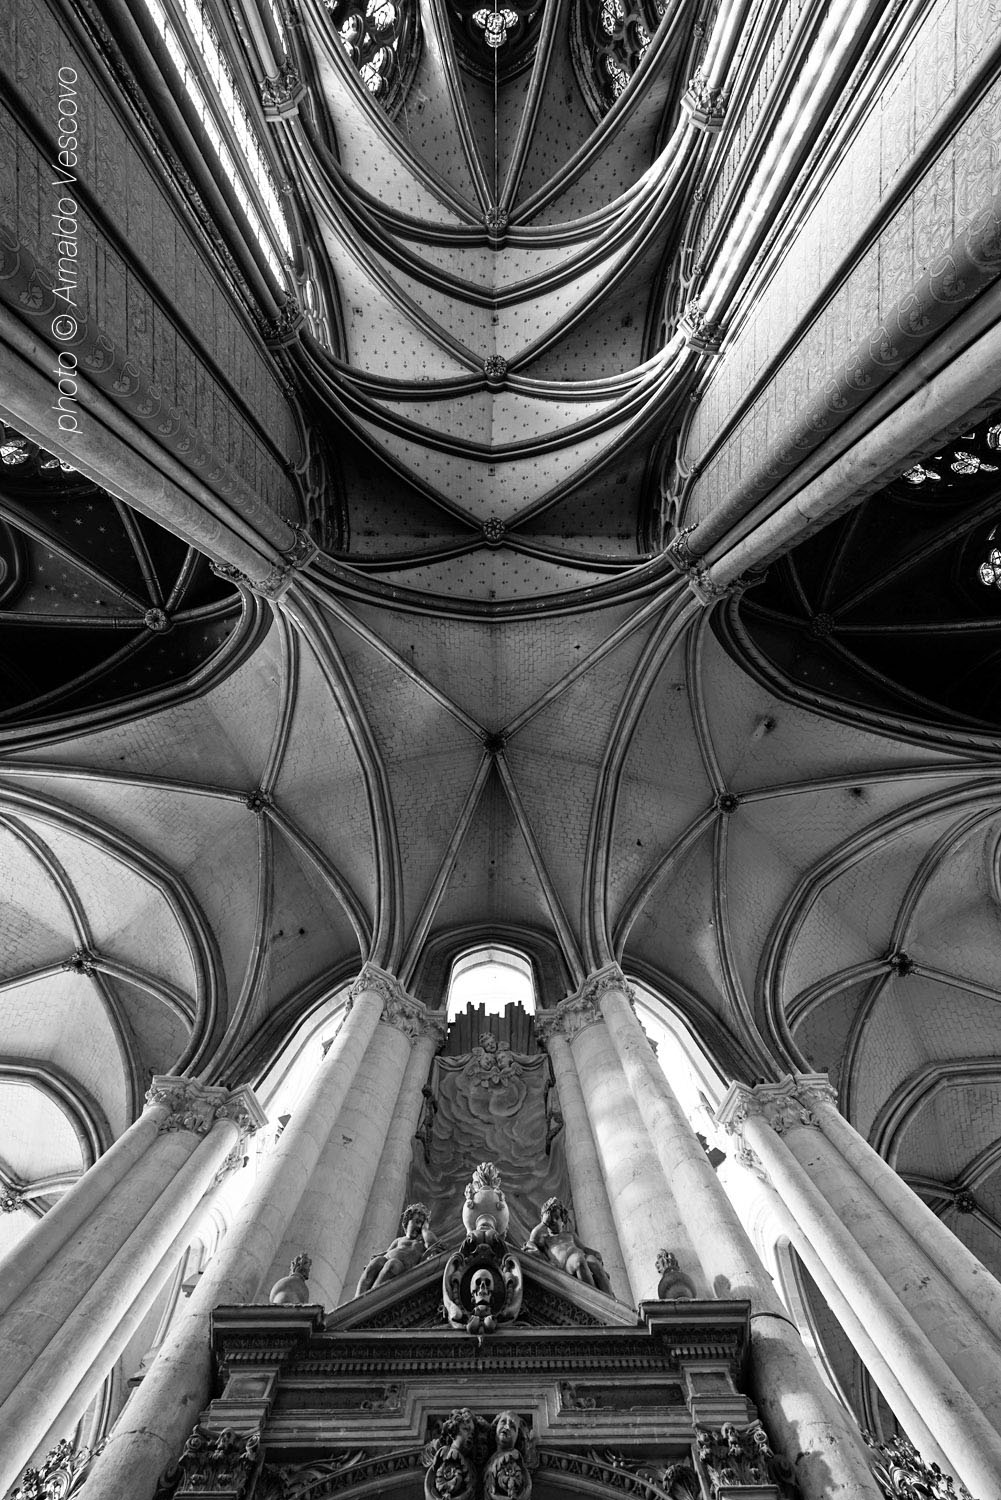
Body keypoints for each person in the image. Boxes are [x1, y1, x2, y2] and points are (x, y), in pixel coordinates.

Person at [523, 1197, 612, 1294]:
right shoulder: (546, 1239)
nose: (553, 1221)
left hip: (581, 1256)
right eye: (550, 1219)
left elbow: (583, 1248)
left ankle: (610, 1299)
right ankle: (592, 1296)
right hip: (565, 1264)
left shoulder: (570, 1234)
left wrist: (594, 1253)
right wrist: (544, 1222)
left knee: (593, 1261)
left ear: (563, 1221)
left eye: (557, 1217)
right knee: (578, 1260)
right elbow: (532, 1240)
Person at [356, 1202, 436, 1295]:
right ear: (407, 1221)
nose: (419, 1226)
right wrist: (376, 1257)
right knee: (377, 1261)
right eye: (417, 1221)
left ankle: (372, 1297)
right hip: (387, 1261)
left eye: (422, 1224)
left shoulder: (421, 1243)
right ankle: (358, 1298)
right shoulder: (399, 1240)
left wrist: (425, 1229)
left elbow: (432, 1244)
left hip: (402, 1268)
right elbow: (388, 1252)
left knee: (392, 1264)